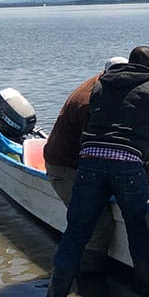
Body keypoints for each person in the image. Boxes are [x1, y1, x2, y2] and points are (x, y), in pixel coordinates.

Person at [26, 46, 149, 297]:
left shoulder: (102, 84)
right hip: (127, 168)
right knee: (137, 231)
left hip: (89, 165)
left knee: (75, 236)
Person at [42, 56, 126, 271]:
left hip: (78, 162)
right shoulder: (89, 101)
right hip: (65, 167)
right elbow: (93, 150)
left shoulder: (103, 86)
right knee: (96, 222)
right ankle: (89, 278)